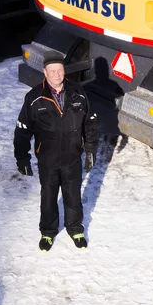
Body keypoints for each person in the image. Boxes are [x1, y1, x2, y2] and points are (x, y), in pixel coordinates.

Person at [14, 53, 99, 251]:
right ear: (45, 72)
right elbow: (23, 130)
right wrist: (22, 158)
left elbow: (90, 123)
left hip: (72, 157)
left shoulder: (78, 92)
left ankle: (75, 228)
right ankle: (48, 232)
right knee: (49, 197)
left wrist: (90, 150)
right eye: (52, 71)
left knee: (73, 196)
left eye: (60, 70)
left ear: (64, 71)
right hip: (48, 159)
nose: (56, 74)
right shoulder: (35, 97)